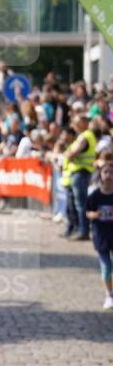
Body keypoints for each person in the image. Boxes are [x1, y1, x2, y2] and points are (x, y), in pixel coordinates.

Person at [85, 158, 113, 310]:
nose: (108, 175)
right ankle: (109, 295)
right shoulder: (95, 195)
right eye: (106, 172)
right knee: (106, 268)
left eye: (111, 172)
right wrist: (96, 215)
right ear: (100, 175)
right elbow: (87, 212)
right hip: (101, 236)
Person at [65, 113, 97, 240]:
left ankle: (83, 231)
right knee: (78, 204)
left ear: (84, 123)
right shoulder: (85, 136)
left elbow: (71, 154)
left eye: (77, 122)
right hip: (80, 172)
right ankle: (80, 230)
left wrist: (69, 154)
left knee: (80, 204)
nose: (74, 124)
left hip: (81, 172)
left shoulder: (85, 136)